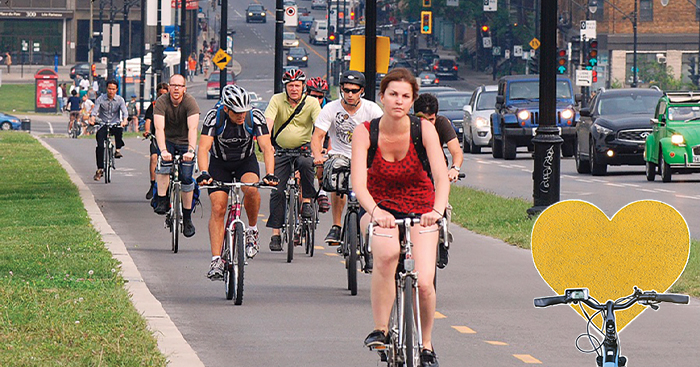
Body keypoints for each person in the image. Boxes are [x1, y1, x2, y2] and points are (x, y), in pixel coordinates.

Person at [351, 68, 448, 367]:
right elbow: (358, 183)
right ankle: (381, 328)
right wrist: (376, 212)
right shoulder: (366, 131)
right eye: (393, 94)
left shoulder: (424, 129)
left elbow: (441, 178)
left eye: (406, 96)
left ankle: (427, 343)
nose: (399, 101)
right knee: (387, 254)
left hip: (422, 206)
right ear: (381, 97)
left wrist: (436, 212)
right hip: (380, 205)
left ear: (412, 101)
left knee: (424, 281)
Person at [196, 85, 279, 279]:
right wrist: (203, 172)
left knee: (251, 189)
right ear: (226, 109)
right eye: (237, 112)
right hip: (220, 164)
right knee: (218, 207)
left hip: (245, 162)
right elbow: (203, 148)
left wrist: (270, 173)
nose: (242, 116)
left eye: (244, 111)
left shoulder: (255, 117)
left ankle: (251, 230)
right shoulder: (214, 117)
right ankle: (216, 260)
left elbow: (266, 147)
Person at [311, 70, 383, 244]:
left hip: (365, 156)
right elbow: (318, 136)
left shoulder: (372, 109)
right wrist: (318, 155)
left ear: (362, 91)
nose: (350, 94)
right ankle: (336, 226)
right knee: (336, 175)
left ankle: (373, 225)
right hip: (340, 154)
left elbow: (383, 135)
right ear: (341, 89)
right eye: (347, 90)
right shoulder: (330, 108)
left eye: (354, 90)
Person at [264, 69, 322, 251]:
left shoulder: (311, 102)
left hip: (303, 149)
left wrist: (320, 149)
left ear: (303, 86)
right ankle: (275, 234)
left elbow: (320, 127)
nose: (294, 89)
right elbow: (268, 123)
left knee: (306, 165)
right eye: (290, 86)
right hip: (281, 150)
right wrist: (266, 143)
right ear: (285, 87)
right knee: (277, 191)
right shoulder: (276, 100)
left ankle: (306, 203)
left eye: (297, 85)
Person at [152, 74, 200, 238]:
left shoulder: (190, 102)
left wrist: (191, 150)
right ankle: (162, 199)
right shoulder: (162, 102)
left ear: (184, 89)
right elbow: (159, 129)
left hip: (186, 142)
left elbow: (193, 129)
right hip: (168, 141)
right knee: (163, 166)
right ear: (169, 87)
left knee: (186, 177)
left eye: (180, 86)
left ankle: (187, 218)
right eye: (173, 85)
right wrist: (164, 150)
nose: (176, 89)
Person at [413, 93, 464, 182]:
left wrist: (455, 169)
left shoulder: (442, 123)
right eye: (424, 119)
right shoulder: (408, 125)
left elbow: (457, 152)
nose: (428, 123)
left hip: (436, 168)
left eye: (431, 119)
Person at [89, 80, 128, 181]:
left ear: (116, 90)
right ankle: (100, 169)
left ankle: (117, 150)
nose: (111, 91)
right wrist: (92, 119)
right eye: (109, 89)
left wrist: (124, 121)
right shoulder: (100, 99)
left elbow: (125, 113)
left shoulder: (120, 100)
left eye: (113, 89)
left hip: (115, 123)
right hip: (103, 123)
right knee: (100, 146)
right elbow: (94, 112)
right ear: (106, 89)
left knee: (119, 131)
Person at [306, 76, 332, 214]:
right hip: (305, 141)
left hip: (325, 140)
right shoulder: (302, 106)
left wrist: (325, 149)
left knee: (322, 160)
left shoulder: (329, 108)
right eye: (314, 96)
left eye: (320, 97)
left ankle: (322, 191)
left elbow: (332, 133)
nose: (317, 100)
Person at [143, 82, 169, 199]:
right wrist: (147, 131)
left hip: (170, 137)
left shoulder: (172, 105)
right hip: (156, 137)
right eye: (160, 94)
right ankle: (153, 184)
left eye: (165, 94)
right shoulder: (153, 106)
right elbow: (148, 120)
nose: (162, 96)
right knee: (154, 158)